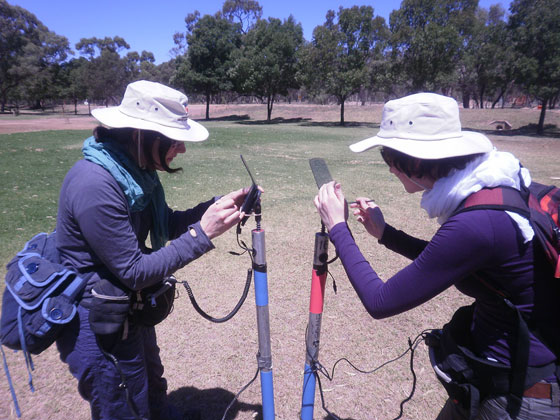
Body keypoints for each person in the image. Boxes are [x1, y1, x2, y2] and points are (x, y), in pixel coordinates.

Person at [314, 93, 559, 419]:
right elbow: (448, 261)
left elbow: (380, 301)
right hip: (493, 377)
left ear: (416, 160)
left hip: (519, 397)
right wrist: (387, 235)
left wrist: (337, 227)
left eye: (389, 155)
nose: (389, 168)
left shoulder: (478, 222)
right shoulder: (494, 184)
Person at [55, 80, 253, 420]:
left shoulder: (135, 173)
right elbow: (133, 272)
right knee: (126, 406)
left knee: (150, 384)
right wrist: (203, 233)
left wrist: (215, 207)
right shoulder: (96, 183)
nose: (182, 149)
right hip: (100, 321)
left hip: (128, 310)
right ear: (141, 135)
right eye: (175, 140)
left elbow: (167, 222)